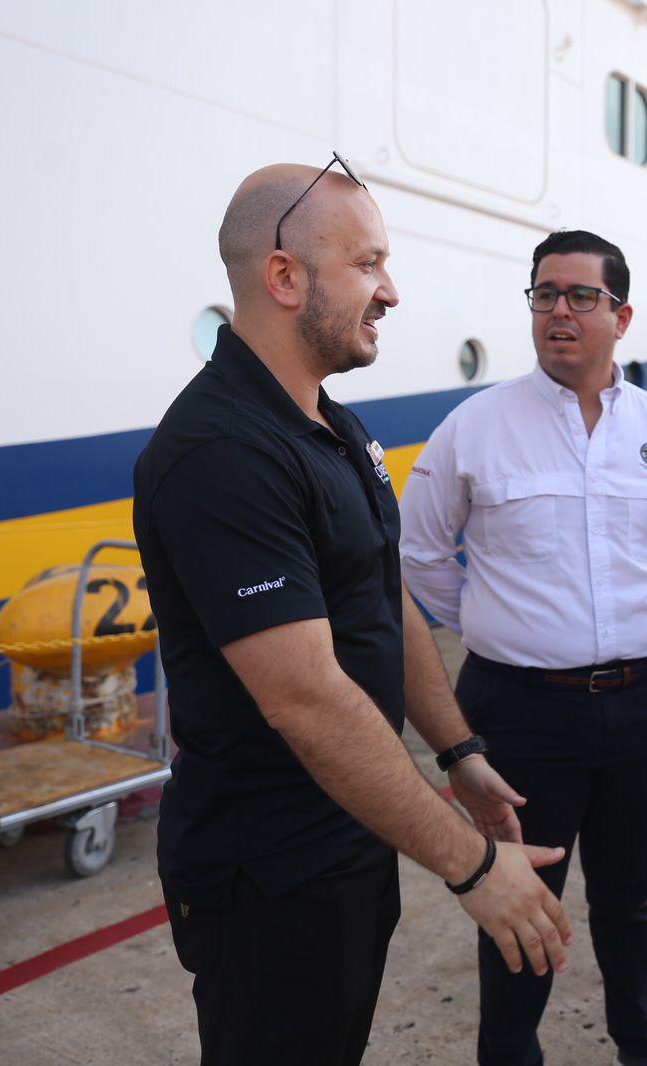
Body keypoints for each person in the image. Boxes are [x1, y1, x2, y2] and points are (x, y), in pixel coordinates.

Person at [133, 157, 573, 1065]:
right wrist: (472, 866)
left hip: (352, 837)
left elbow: (383, 597)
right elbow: (303, 696)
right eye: (368, 264)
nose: (392, 292)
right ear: (285, 277)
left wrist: (460, 753)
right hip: (267, 873)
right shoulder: (221, 451)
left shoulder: (334, 426)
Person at [398, 229, 647, 1066]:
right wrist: (499, 629)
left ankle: (645, 1046)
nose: (559, 311)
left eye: (581, 296)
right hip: (523, 710)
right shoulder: (475, 427)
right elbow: (419, 553)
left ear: (622, 315)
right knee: (517, 898)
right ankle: (508, 1056)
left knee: (630, 899)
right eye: (544, 294)